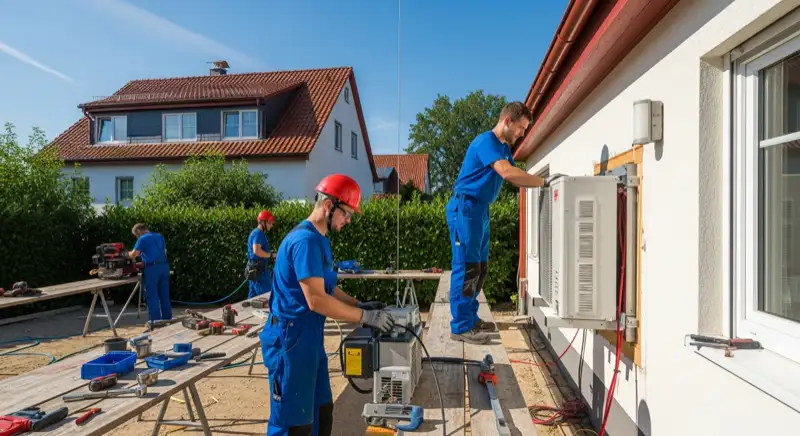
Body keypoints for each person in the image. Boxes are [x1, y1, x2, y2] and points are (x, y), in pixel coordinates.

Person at [260, 174, 393, 436]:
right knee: (294, 425)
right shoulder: (304, 241)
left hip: (310, 341)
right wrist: (364, 316)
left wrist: (359, 303)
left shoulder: (320, 240)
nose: (348, 221)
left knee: (322, 413)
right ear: (329, 206)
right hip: (291, 341)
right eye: (347, 213)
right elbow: (317, 300)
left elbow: (327, 287)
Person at [447, 102, 546, 345]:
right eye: (521, 128)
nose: (522, 133)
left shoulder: (503, 148)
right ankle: (460, 327)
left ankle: (470, 319)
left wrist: (535, 180)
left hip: (480, 210)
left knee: (480, 267)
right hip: (466, 207)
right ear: (507, 122)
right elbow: (509, 174)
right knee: (467, 266)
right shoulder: (485, 143)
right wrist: (544, 182)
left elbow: (514, 170)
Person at [128, 223, 171, 322]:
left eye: (136, 235)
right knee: (164, 295)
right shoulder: (160, 236)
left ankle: (156, 322)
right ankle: (168, 320)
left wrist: (125, 254)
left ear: (138, 231)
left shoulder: (142, 239)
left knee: (152, 296)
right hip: (164, 267)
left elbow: (135, 254)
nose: (136, 237)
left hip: (152, 269)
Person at [246, 209, 276, 299]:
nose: (271, 225)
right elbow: (257, 251)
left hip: (255, 271)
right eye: (270, 223)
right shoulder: (258, 233)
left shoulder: (258, 233)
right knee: (266, 298)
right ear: (263, 222)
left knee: (252, 299)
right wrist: (271, 255)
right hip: (260, 273)